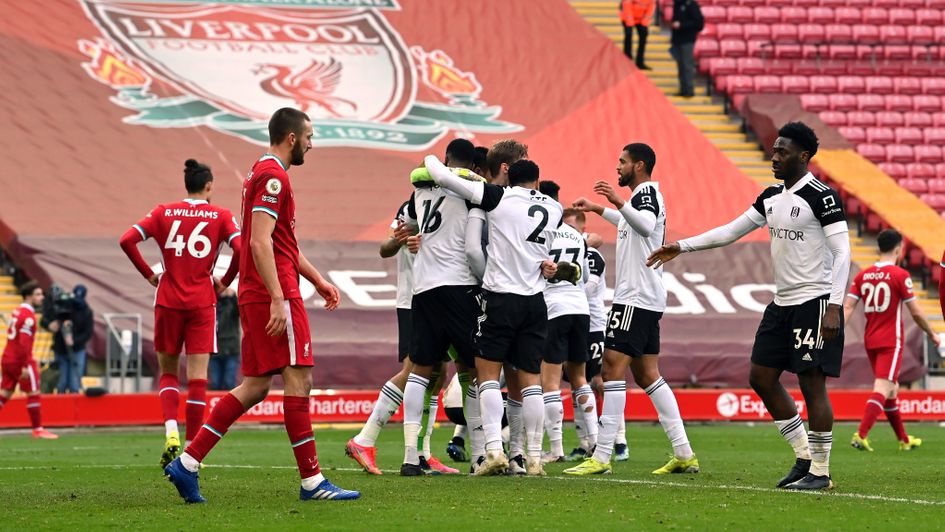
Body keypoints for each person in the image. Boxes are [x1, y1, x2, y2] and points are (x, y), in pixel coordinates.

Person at [164, 108, 359, 503]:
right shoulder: (273, 177)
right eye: (309, 137)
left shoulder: (261, 171)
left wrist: (317, 280)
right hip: (274, 291)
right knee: (299, 378)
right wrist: (278, 298)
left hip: (261, 290)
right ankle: (312, 481)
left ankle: (187, 463)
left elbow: (281, 242)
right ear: (292, 138)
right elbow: (258, 241)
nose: (312, 144)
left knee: (254, 386)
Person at [647, 122, 851, 491]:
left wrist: (834, 305)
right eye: (774, 150)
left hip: (816, 301)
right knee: (761, 376)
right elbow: (730, 231)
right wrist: (682, 246)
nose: (775, 156)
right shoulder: (771, 197)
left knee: (811, 383)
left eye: (783, 151)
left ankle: (821, 472)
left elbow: (843, 253)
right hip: (782, 303)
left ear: (803, 156)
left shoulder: (822, 197)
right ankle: (804, 456)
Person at [565, 143, 698, 477]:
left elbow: (646, 225)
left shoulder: (646, 194)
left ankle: (602, 455)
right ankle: (683, 452)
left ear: (639, 165)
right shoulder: (640, 198)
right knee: (647, 374)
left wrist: (616, 200)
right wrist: (599, 208)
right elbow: (630, 224)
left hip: (635, 298)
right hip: (646, 296)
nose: (617, 167)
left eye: (622, 162)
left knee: (611, 369)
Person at [426, 156, 562, 477]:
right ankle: (533, 458)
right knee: (531, 381)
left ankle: (493, 451)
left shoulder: (497, 196)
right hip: (535, 301)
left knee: (486, 375)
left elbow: (441, 177)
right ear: (537, 182)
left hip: (500, 297)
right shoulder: (555, 208)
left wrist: (431, 159)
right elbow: (541, 253)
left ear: (508, 177)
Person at [120, 159, 242, 469]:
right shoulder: (220, 215)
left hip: (168, 300)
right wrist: (225, 282)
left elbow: (127, 240)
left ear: (187, 185)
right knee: (198, 378)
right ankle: (191, 452)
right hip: (202, 302)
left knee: (169, 373)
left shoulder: (163, 212)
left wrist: (149, 274)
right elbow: (242, 248)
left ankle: (171, 431)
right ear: (209, 186)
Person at [345, 194, 458, 476]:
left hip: (438, 299)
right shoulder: (411, 208)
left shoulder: (447, 203)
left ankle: (423, 453)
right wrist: (398, 240)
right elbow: (385, 248)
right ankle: (364, 439)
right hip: (413, 301)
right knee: (413, 370)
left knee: (439, 374)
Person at [397, 139, 481, 477]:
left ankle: (409, 456)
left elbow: (408, 226)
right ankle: (479, 456)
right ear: (472, 166)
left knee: (420, 369)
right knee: (473, 369)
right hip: (459, 286)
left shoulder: (420, 191)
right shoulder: (470, 190)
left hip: (424, 289)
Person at [845, 229, 940, 451]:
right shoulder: (900, 275)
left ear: (879, 248)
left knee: (891, 389)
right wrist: (932, 333)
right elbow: (916, 312)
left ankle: (904, 440)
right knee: (883, 386)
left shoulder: (863, 275)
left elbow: (848, 307)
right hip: (890, 341)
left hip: (870, 339)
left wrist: (837, 331)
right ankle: (861, 434)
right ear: (899, 249)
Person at [539, 202, 595, 464]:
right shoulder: (576, 235)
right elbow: (584, 274)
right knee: (580, 378)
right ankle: (596, 442)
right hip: (580, 308)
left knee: (549, 382)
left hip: (554, 308)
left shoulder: (542, 233)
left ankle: (556, 449)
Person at [0, 282, 58, 439]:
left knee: (5, 393)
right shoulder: (28, 317)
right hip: (20, 359)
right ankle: (38, 429)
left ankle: (38, 429)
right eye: (38, 294)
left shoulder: (17, 311)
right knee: (34, 392)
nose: (42, 297)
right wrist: (25, 365)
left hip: (8, 357)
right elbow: (24, 342)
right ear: (28, 296)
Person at [44, 285, 94, 394]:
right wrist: (50, 324)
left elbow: (88, 333)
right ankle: (60, 402)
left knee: (74, 384)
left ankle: (74, 402)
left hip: (77, 350)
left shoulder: (86, 311)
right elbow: (46, 318)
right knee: (61, 382)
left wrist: (74, 341)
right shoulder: (64, 305)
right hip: (60, 349)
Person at [669, 0, 704, 98]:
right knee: (681, 66)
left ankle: (689, 89)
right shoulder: (677, 4)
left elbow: (699, 23)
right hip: (677, 40)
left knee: (687, 65)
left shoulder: (691, 5)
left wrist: (682, 25)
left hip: (687, 40)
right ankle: (683, 89)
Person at [210, 288, 240, 391]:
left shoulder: (231, 304)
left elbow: (239, 310)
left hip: (230, 350)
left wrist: (232, 296)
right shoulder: (212, 306)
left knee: (229, 383)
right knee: (215, 384)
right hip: (214, 351)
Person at [620, 0, 655, 70]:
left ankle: (640, 62)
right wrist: (630, 21)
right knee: (628, 34)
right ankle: (627, 59)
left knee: (644, 34)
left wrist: (644, 23)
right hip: (627, 17)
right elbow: (627, 7)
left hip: (640, 19)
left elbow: (650, 9)